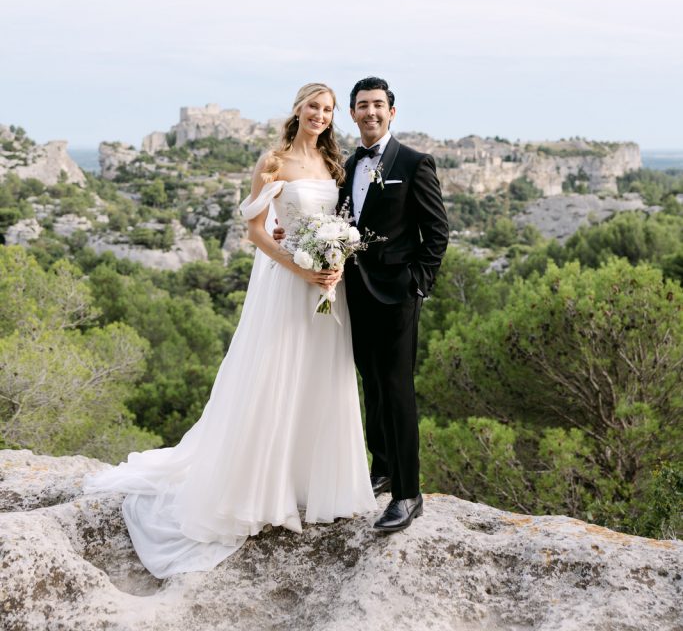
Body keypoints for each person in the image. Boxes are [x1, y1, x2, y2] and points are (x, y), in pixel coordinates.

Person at [83, 83, 376, 578]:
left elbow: (340, 222)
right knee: (276, 376)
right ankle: (263, 490)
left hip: (328, 286)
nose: (320, 116)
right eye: (313, 107)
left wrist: (336, 264)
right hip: (288, 282)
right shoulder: (273, 160)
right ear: (298, 109)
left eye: (327, 111)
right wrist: (300, 267)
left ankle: (311, 483)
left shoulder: (335, 165)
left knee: (319, 379)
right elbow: (257, 230)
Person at [276, 77, 449, 531]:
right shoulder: (346, 165)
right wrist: (288, 234)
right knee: (370, 384)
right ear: (352, 115)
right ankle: (383, 467)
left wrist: (418, 284)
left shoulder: (414, 162)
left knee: (396, 389)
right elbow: (335, 221)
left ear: (392, 111)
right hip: (353, 294)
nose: (370, 112)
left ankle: (408, 495)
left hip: (397, 297)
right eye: (361, 106)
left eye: (378, 105)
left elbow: (437, 233)